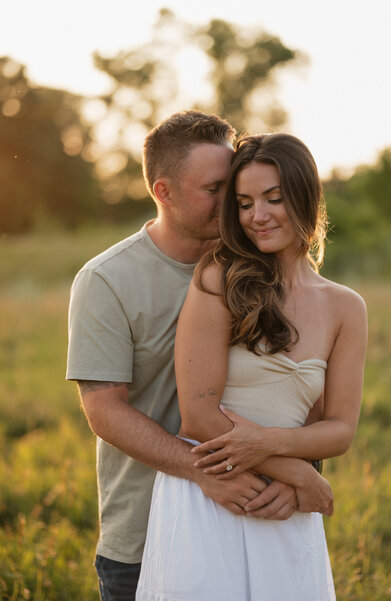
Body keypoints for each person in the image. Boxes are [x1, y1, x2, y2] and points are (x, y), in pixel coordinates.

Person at [67, 113, 333, 601]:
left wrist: (300, 473)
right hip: (145, 531)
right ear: (164, 192)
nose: (235, 203)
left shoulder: (258, 267)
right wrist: (207, 472)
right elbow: (104, 410)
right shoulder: (106, 280)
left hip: (260, 516)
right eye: (215, 188)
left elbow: (296, 388)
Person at [136, 133, 367, 601]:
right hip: (214, 494)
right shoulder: (219, 278)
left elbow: (340, 430)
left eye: (273, 199)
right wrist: (298, 472)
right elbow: (199, 417)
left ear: (306, 196)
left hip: (283, 508)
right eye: (243, 203)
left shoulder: (346, 307)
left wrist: (282, 460)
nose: (257, 216)